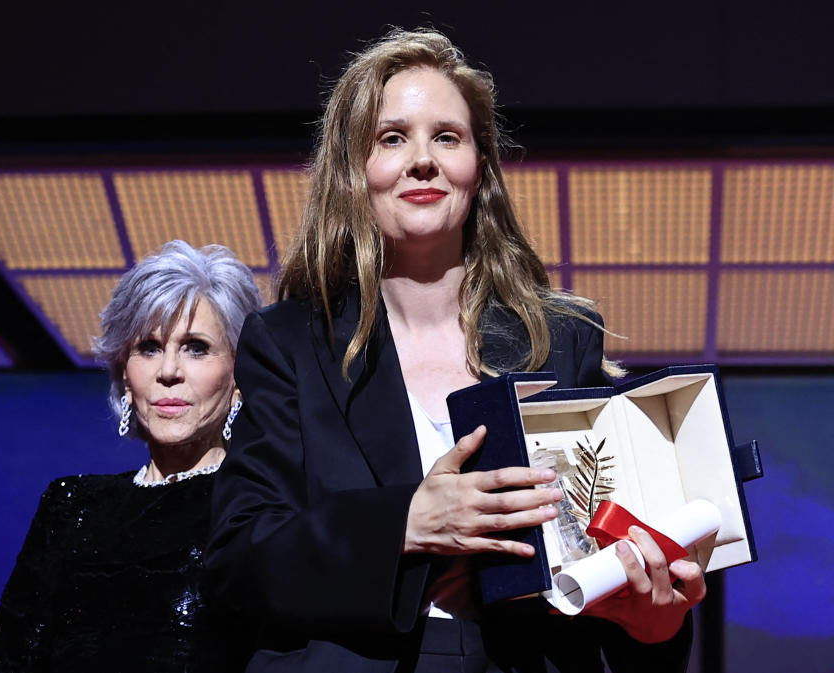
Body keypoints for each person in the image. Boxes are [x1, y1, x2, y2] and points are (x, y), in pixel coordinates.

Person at [207, 29, 705, 673]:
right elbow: (241, 562)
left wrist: (655, 626)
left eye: (447, 136)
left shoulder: (562, 339)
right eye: (392, 138)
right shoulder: (288, 344)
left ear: (480, 170)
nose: (423, 159)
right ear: (354, 172)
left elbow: (600, 583)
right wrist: (406, 524)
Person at [0, 241, 262, 673]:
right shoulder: (69, 506)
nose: (168, 371)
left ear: (240, 374)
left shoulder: (263, 504)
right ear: (126, 377)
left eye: (196, 347)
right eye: (149, 348)